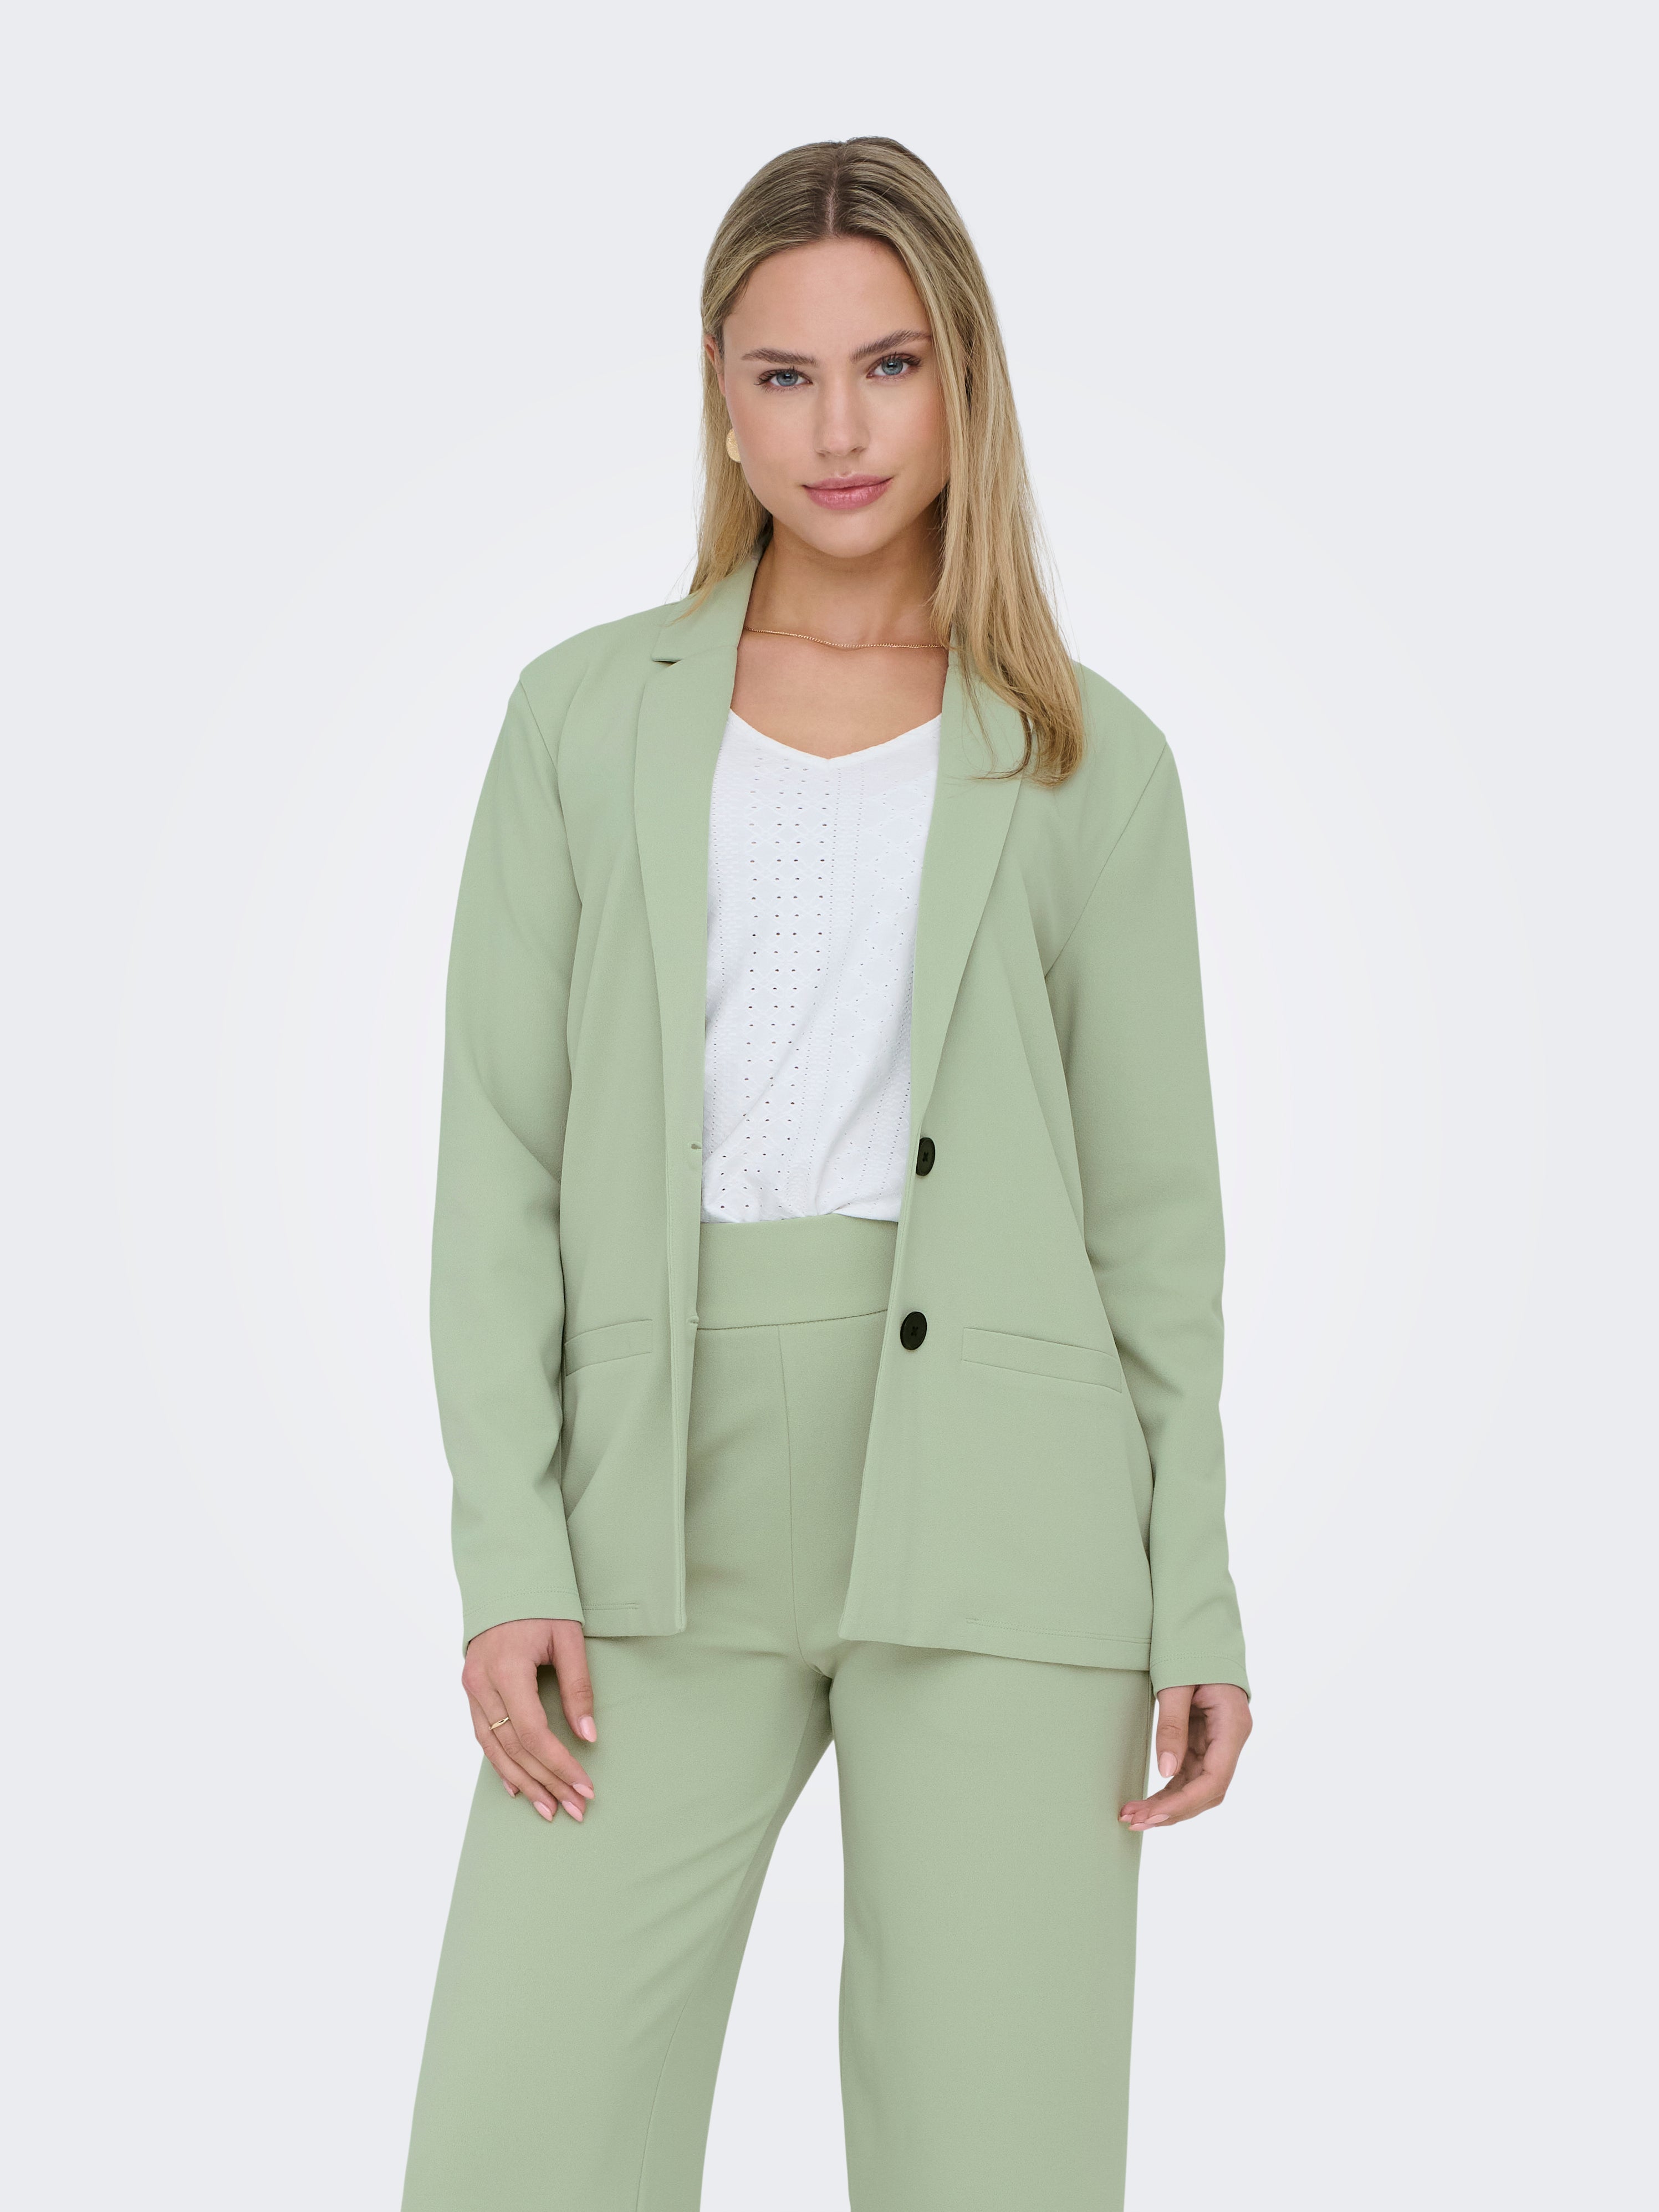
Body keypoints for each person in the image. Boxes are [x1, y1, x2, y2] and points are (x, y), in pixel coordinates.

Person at [401, 135, 1252, 2212]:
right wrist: (510, 1548)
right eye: (783, 375)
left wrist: (1195, 1590)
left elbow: (1157, 1222)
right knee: (517, 2146)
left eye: (888, 366)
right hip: (650, 1503)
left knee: (997, 2165)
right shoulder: (582, 720)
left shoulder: (1085, 753)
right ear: (719, 393)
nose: (839, 429)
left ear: (963, 379)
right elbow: (496, 1159)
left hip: (1013, 1506)